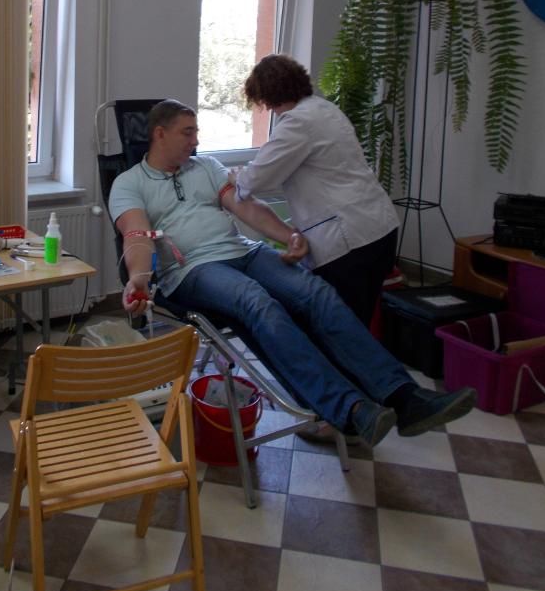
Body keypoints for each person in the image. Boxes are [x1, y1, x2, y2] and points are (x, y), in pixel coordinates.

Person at [109, 98, 475, 448]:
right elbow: (136, 236)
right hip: (193, 269)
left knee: (316, 293)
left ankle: (406, 397)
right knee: (258, 302)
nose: (196, 140)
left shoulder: (205, 167)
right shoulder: (129, 183)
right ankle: (350, 408)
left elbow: (247, 207)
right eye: (187, 132)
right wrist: (138, 278)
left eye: (196, 131)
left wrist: (290, 236)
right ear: (160, 134)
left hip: (245, 252)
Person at [234, 54, 399, 326]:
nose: (269, 109)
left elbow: (255, 180)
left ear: (268, 96)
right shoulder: (325, 109)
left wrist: (237, 176)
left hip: (350, 239)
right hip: (379, 227)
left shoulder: (297, 122)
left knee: (341, 325)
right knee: (360, 321)